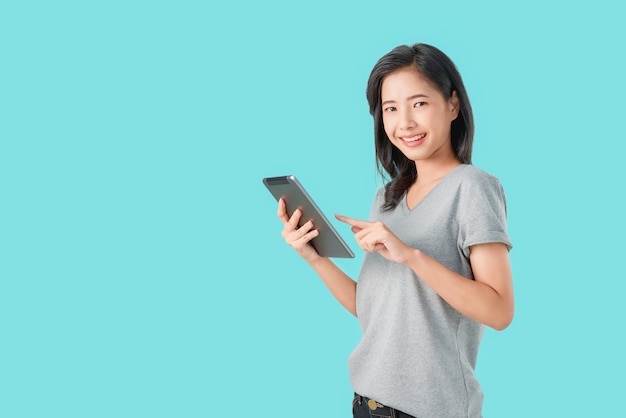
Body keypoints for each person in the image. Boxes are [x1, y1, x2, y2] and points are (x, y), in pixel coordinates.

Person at [276, 43, 513, 418]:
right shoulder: (386, 198)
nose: (404, 123)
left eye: (419, 103)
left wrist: (411, 256)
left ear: (453, 105)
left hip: (431, 409)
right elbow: (373, 310)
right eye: (390, 108)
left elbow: (499, 311)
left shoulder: (473, 186)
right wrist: (314, 258)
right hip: (368, 401)